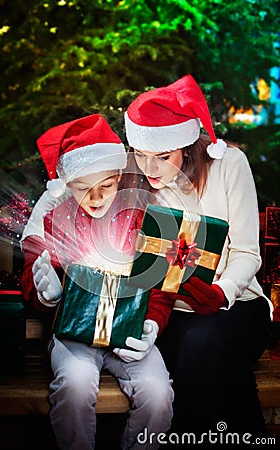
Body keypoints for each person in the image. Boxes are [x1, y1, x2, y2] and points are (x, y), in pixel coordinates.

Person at [121, 74, 273, 444]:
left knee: (202, 347)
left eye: (161, 157)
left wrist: (222, 291)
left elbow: (246, 252)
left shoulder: (229, 164)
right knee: (224, 367)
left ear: (186, 147)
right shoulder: (142, 186)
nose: (149, 168)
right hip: (173, 315)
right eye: (140, 155)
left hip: (239, 307)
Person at [21, 114, 174, 450]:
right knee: (74, 386)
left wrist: (152, 324)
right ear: (67, 185)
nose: (95, 198)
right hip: (75, 338)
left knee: (159, 392)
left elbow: (159, 287)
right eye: (82, 188)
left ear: (119, 176)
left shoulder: (142, 221)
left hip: (128, 336)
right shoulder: (55, 220)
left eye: (105, 186)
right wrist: (47, 295)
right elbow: (33, 279)